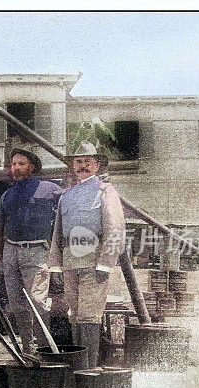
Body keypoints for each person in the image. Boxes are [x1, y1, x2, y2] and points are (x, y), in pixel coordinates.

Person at [48, 142, 126, 367]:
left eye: (88, 162)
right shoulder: (66, 196)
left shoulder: (105, 191)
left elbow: (115, 228)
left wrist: (105, 263)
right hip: (70, 264)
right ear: (72, 165)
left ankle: (89, 368)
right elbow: (57, 233)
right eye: (78, 161)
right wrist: (55, 266)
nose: (82, 166)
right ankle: (77, 367)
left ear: (97, 165)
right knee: (74, 315)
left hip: (94, 264)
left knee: (90, 316)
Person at [0, 148, 61, 353]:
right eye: (14, 164)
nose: (16, 167)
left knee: (37, 301)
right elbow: (0, 228)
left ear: (31, 167)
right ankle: (27, 348)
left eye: (21, 163)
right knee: (16, 304)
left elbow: (63, 220)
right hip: (11, 251)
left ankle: (45, 348)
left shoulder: (51, 190)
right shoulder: (7, 195)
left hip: (38, 250)